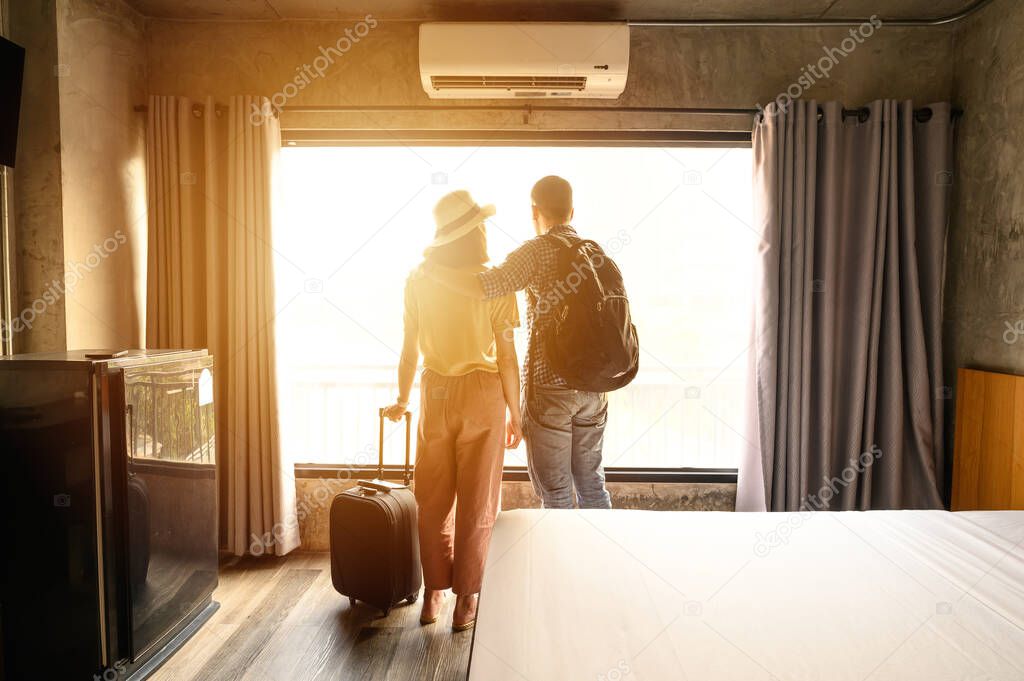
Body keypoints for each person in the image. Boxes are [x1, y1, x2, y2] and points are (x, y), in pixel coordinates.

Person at [421, 175, 613, 510]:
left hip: (551, 390)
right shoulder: (594, 251)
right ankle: (602, 561)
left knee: (556, 494)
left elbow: (486, 286)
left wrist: (434, 272)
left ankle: (560, 563)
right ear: (572, 210)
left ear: (534, 211)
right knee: (593, 487)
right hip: (594, 390)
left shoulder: (535, 253)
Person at [383, 190, 522, 632]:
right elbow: (507, 356)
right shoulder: (494, 281)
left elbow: (408, 350)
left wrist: (403, 400)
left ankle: (433, 595)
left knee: (433, 500)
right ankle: (466, 601)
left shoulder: (418, 279)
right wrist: (516, 412)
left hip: (436, 392)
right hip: (484, 395)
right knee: (479, 502)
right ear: (476, 231)